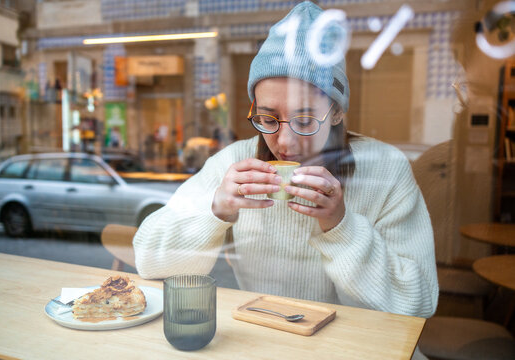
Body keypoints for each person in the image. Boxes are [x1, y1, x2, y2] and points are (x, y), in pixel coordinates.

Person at [134, 1, 438, 323]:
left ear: (336, 112)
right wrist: (216, 209)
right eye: (268, 118)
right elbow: (148, 261)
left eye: (305, 120)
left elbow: (417, 303)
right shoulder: (235, 163)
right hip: (267, 340)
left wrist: (340, 226)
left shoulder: (385, 169)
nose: (285, 143)